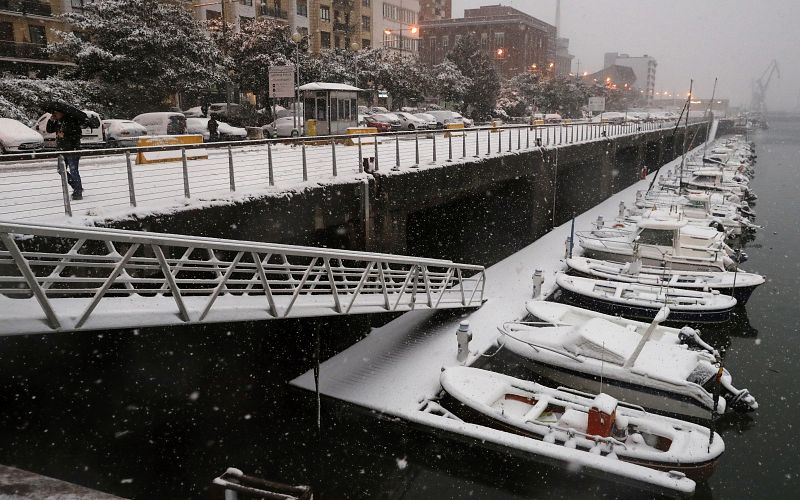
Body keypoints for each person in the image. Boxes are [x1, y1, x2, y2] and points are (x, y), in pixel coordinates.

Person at [47, 110, 84, 200]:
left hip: (72, 150)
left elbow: (78, 135)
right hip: (62, 150)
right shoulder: (59, 122)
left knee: (73, 170)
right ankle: (77, 187)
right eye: (54, 113)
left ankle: (78, 192)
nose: (55, 114)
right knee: (60, 170)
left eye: (56, 113)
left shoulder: (71, 121)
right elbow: (49, 130)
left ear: (62, 112)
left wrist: (65, 136)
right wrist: (51, 120)